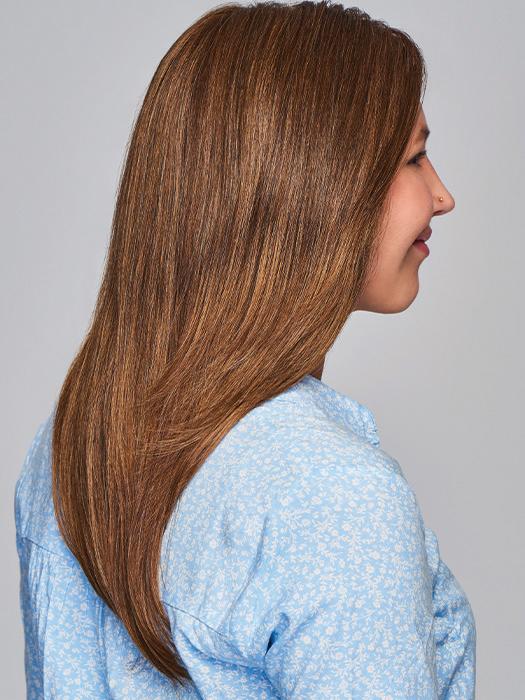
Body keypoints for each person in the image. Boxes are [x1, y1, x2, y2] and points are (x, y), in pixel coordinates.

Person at [14, 1, 476, 698]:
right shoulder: (336, 500)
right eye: (413, 157)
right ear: (317, 184)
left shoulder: (73, 444)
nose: (441, 196)